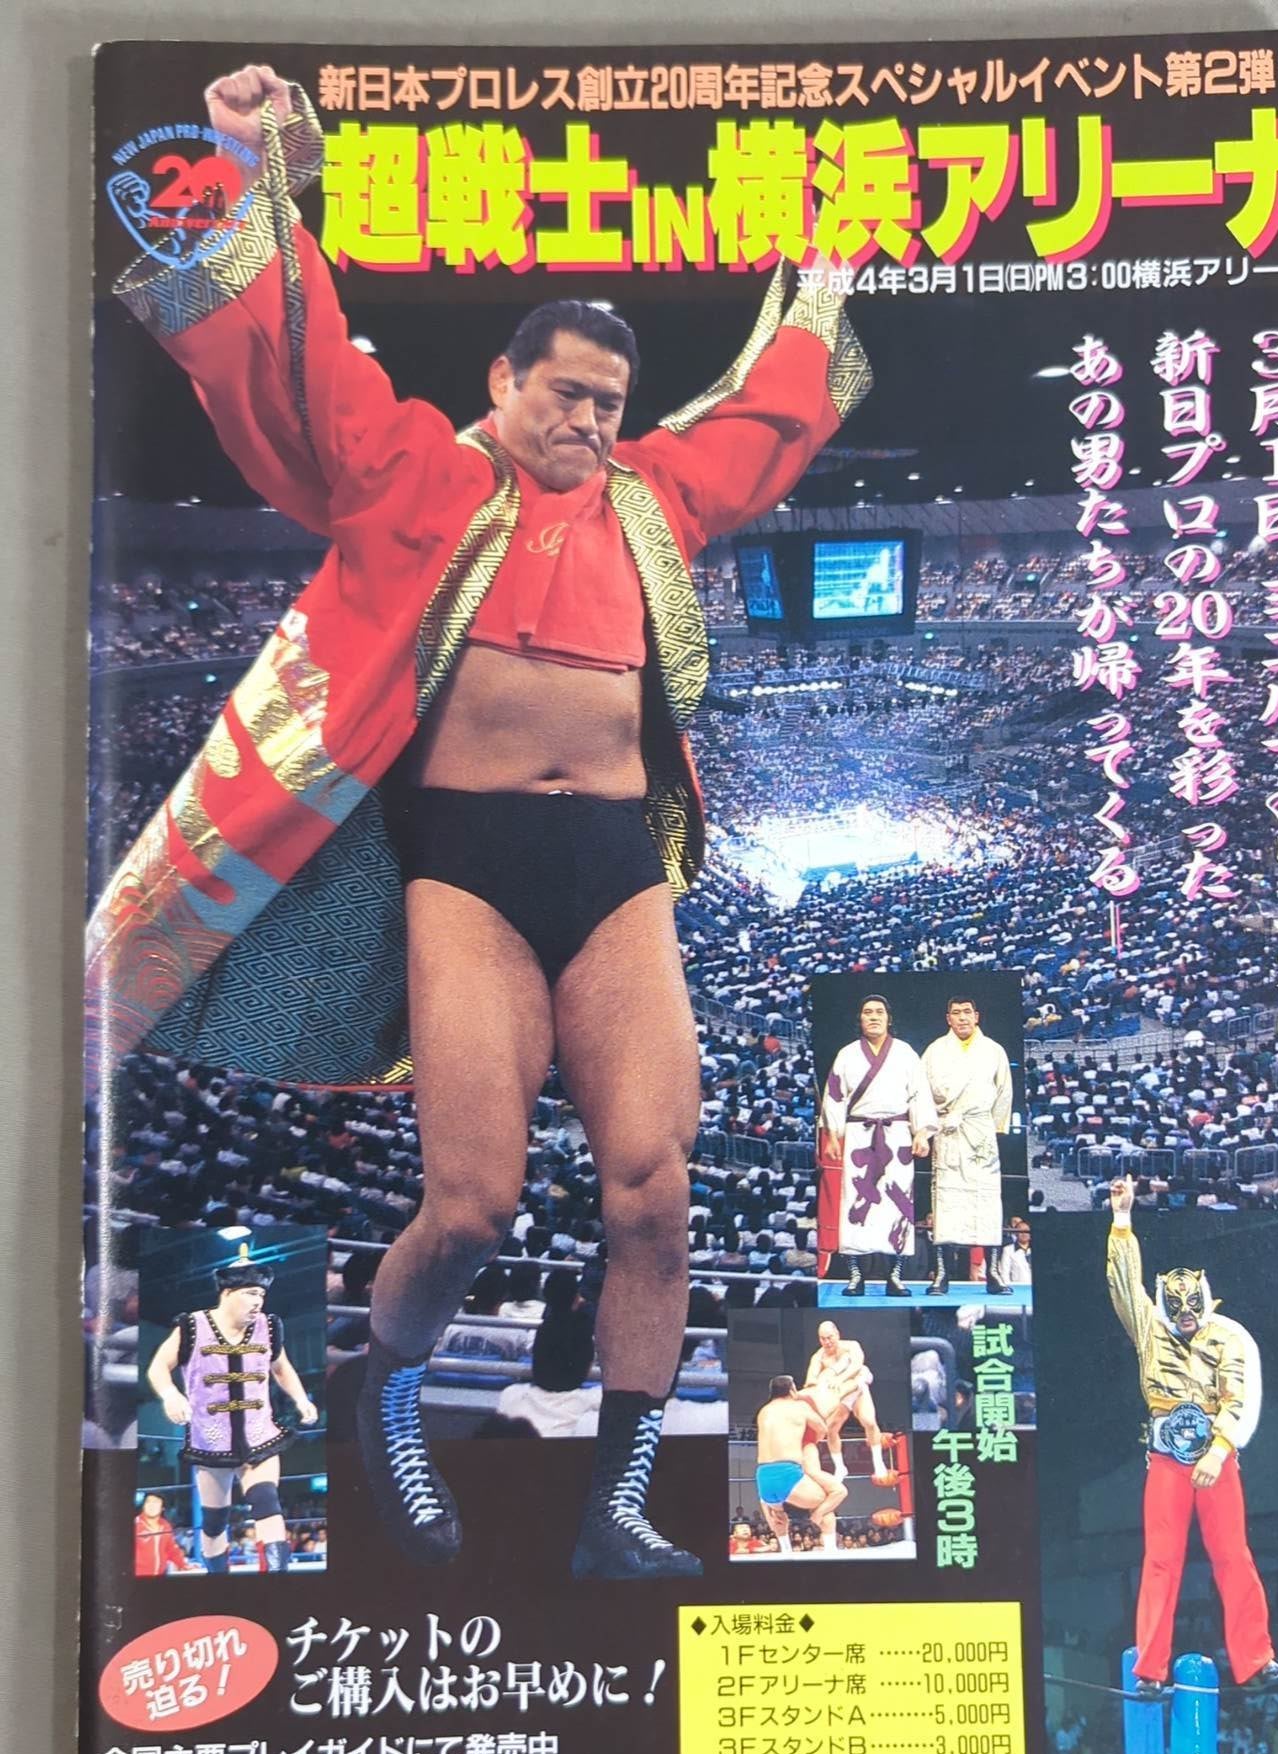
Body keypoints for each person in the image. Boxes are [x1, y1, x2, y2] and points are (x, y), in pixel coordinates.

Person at [90, 63, 870, 1579]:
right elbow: (303, 368)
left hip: (614, 871)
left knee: (656, 1191)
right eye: (565, 392)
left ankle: (617, 1508)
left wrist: (825, 272)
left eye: (610, 403)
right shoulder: (413, 475)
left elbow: (765, 416)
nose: (589, 419)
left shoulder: (653, 499)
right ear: (505, 382)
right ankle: (384, 1396)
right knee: (470, 1206)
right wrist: (251, 174)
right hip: (465, 866)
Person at [1105, 1175, 1278, 1695]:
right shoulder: (1149, 1329)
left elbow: (1238, 1397)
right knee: (1161, 1561)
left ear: (1206, 1300)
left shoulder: (1228, 1337)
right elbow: (1124, 1285)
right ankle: (1150, 1669)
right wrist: (1122, 1219)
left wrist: (1220, 1450)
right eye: (1176, 1306)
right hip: (1166, 1460)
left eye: (1192, 1306)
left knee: (1233, 1555)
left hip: (1216, 1458)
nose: (1185, 1315)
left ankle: (1258, 1661)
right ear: (1164, 1303)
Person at [146, 1254, 319, 1575]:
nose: (258, 1302)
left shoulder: (268, 1327)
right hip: (211, 1442)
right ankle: (219, 1581)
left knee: (267, 1502)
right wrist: (170, 1394)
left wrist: (300, 1399)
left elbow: (282, 1368)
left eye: (262, 1294)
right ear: (227, 1293)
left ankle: (277, 1584)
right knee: (214, 1521)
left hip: (260, 1435)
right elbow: (158, 1367)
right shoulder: (192, 1326)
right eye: (251, 1293)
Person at [819, 996, 936, 1297]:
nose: (873, 1017)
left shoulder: (905, 1053)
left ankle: (895, 1276)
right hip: (858, 1134)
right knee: (855, 1204)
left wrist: (922, 1133)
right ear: (860, 1019)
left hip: (897, 1136)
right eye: (867, 1012)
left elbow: (920, 1095)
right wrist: (832, 1135)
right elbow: (834, 1097)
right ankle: (855, 1275)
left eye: (879, 1012)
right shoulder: (847, 1054)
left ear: (888, 1018)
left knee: (899, 1204)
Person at [921, 998, 1013, 1294]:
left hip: (980, 1131)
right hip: (947, 1130)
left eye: (967, 1012)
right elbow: (921, 1093)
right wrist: (927, 1127)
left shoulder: (993, 1050)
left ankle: (993, 1272)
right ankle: (942, 1273)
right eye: (956, 1013)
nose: (962, 1018)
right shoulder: (935, 1050)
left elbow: (1004, 1092)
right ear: (948, 1018)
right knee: (945, 1202)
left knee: (987, 1201)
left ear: (977, 1016)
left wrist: (994, 1128)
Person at [753, 1375, 847, 1555]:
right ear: (792, 1390)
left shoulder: (764, 1411)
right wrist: (809, 1441)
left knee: (778, 1515)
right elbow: (822, 1429)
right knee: (828, 1501)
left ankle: (786, 1551)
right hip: (788, 1472)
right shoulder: (800, 1407)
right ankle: (830, 1550)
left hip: (763, 1477)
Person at [803, 1320, 891, 1480]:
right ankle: (840, 1468)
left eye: (829, 1337)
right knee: (831, 1428)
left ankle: (878, 1463)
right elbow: (811, 1380)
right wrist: (820, 1384)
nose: (827, 1342)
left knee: (869, 1421)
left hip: (856, 1388)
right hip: (839, 1395)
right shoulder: (818, 1357)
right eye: (823, 1338)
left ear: (837, 1334)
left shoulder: (851, 1346)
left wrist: (840, 1379)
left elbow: (857, 1365)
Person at [133, 1491, 191, 1578]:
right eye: (148, 1502)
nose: (152, 1506)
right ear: (143, 1506)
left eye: (156, 1503)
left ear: (162, 1508)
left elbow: (172, 1550)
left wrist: (184, 1565)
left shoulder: (166, 1526)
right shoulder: (135, 1525)